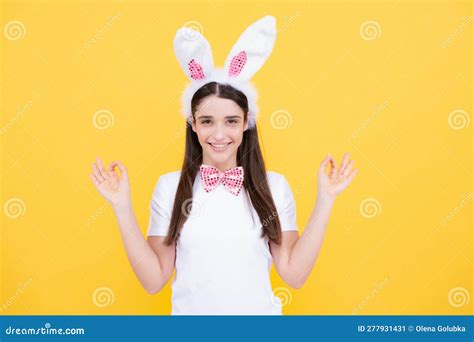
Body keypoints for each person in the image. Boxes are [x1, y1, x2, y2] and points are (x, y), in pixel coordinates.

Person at [89, 15, 358, 315]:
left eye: (231, 121)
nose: (219, 134)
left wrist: (326, 199)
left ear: (246, 123)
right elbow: (153, 281)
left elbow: (294, 274)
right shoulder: (169, 187)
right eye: (207, 121)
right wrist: (121, 206)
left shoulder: (274, 186)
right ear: (193, 124)